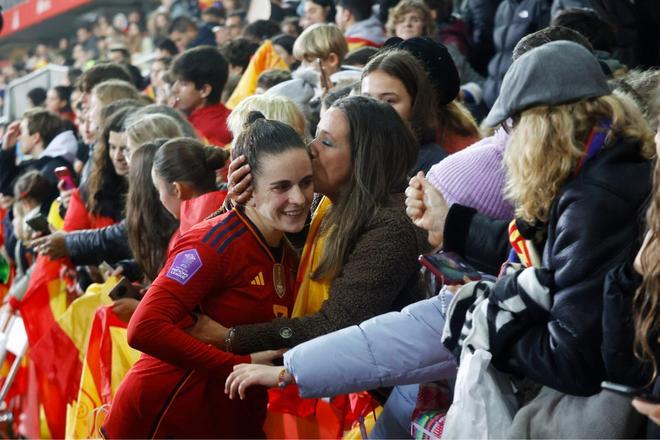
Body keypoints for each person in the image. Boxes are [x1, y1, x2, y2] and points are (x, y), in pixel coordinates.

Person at [407, 41, 654, 401]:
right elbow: (553, 254)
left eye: (512, 123)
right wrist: (451, 222)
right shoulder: (611, 163)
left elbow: (571, 362)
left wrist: (480, 318)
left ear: (541, 125)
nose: (509, 137)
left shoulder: (593, 202)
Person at [102, 112, 314, 438]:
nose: (298, 199)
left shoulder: (290, 244)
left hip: (227, 418)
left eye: (306, 182)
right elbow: (144, 328)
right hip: (166, 416)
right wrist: (237, 363)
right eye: (281, 187)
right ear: (247, 186)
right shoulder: (212, 245)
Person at [170, 46, 233, 146]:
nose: (174, 89)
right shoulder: (232, 116)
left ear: (204, 90)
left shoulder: (195, 131)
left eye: (183, 84)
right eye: (175, 82)